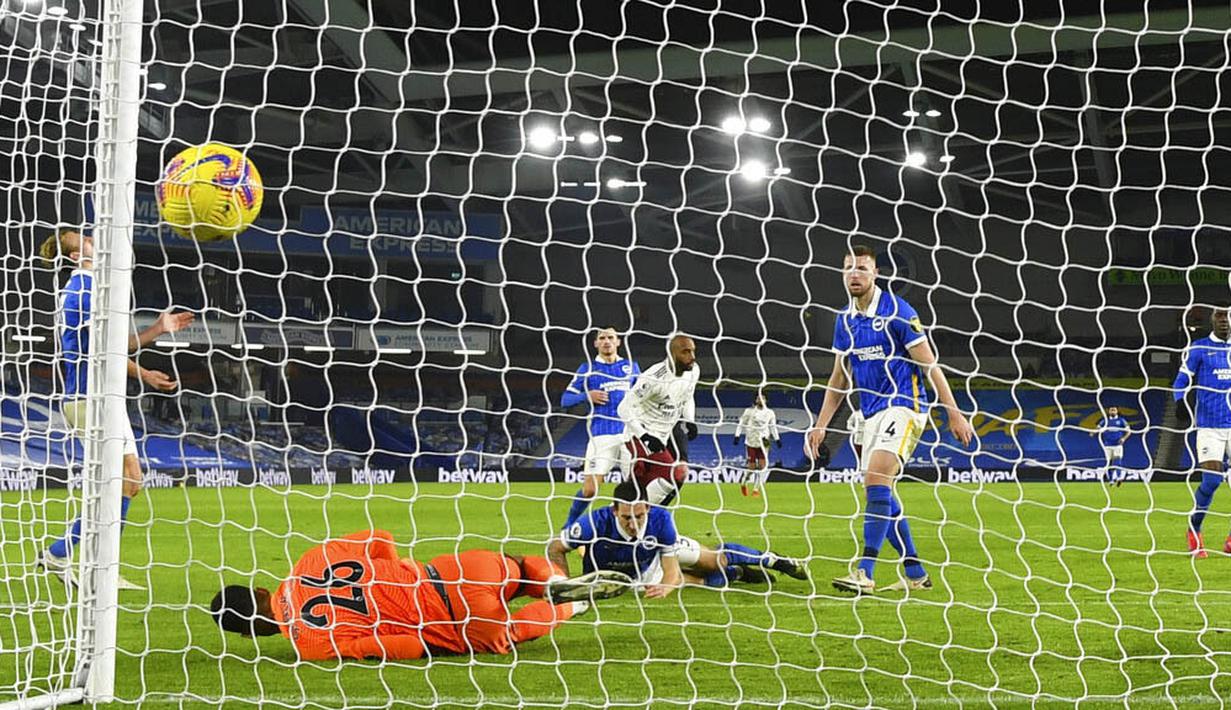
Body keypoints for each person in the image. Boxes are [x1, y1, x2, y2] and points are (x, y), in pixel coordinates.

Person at [806, 245, 974, 595]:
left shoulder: (899, 311)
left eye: (862, 268)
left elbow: (930, 365)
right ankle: (915, 572)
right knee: (879, 489)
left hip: (905, 405)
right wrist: (820, 424)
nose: (855, 274)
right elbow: (839, 379)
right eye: (849, 267)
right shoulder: (844, 320)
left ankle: (865, 571)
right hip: (869, 412)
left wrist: (954, 412)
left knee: (876, 477)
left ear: (876, 273)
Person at [36, 227, 194, 589]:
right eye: (87, 241)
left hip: (104, 399)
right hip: (89, 399)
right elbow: (103, 353)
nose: (95, 240)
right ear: (77, 257)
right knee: (120, 481)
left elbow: (111, 347)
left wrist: (157, 328)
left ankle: (69, 556)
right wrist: (146, 375)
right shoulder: (82, 289)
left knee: (128, 482)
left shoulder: (92, 288)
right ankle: (87, 564)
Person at [210, 529, 631, 660]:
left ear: (249, 635)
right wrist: (392, 571)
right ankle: (550, 580)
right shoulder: (308, 559)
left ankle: (570, 605)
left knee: (505, 636)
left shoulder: (309, 643)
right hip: (450, 570)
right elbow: (381, 537)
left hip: (455, 619)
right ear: (261, 588)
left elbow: (410, 643)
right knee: (517, 567)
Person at [546, 480, 808, 597]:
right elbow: (555, 548)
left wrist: (668, 586)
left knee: (713, 559)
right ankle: (737, 574)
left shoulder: (660, 520)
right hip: (630, 576)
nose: (634, 523)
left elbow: (670, 569)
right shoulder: (593, 522)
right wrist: (564, 585)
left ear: (647, 508)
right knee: (695, 581)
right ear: (615, 511)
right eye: (627, 518)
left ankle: (776, 561)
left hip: (659, 551)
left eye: (639, 515)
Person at [559, 327, 641, 528]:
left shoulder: (632, 368)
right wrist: (586, 396)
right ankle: (569, 525)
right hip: (600, 436)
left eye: (610, 338)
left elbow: (644, 397)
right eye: (602, 338)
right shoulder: (586, 369)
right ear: (595, 343)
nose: (606, 341)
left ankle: (631, 528)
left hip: (629, 436)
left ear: (618, 341)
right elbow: (565, 399)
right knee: (590, 490)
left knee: (635, 490)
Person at [617, 334, 700, 505]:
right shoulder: (654, 377)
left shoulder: (693, 371)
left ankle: (650, 515)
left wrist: (690, 419)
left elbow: (688, 395)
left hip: (664, 436)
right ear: (672, 354)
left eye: (693, 351)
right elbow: (623, 408)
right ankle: (628, 517)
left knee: (678, 475)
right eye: (686, 352)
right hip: (638, 437)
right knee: (634, 490)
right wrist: (645, 436)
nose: (692, 356)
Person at [1176, 307, 1231, 558]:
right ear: (1212, 320)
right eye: (1220, 316)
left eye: (1227, 316)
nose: (1224, 321)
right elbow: (1181, 380)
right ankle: (1194, 530)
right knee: (1211, 481)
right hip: (1209, 426)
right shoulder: (1199, 348)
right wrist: (1179, 402)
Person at [733, 391, 781, 497]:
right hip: (751, 441)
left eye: (762, 398)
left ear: (766, 400)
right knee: (752, 467)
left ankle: (756, 490)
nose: (760, 400)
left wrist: (777, 439)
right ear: (755, 400)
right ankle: (744, 482)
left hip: (764, 441)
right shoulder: (749, 412)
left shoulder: (770, 413)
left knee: (762, 466)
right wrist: (737, 436)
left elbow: (773, 426)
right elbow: (741, 424)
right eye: (758, 398)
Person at [1096, 405, 1130, 487]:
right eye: (1111, 410)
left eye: (1114, 410)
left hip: (1118, 445)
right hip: (1107, 445)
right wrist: (1093, 432)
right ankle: (1111, 480)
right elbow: (1098, 428)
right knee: (1109, 463)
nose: (1112, 411)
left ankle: (1119, 478)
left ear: (1117, 411)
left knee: (1117, 461)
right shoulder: (1105, 421)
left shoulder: (1121, 420)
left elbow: (1129, 431)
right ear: (1109, 411)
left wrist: (1123, 439)